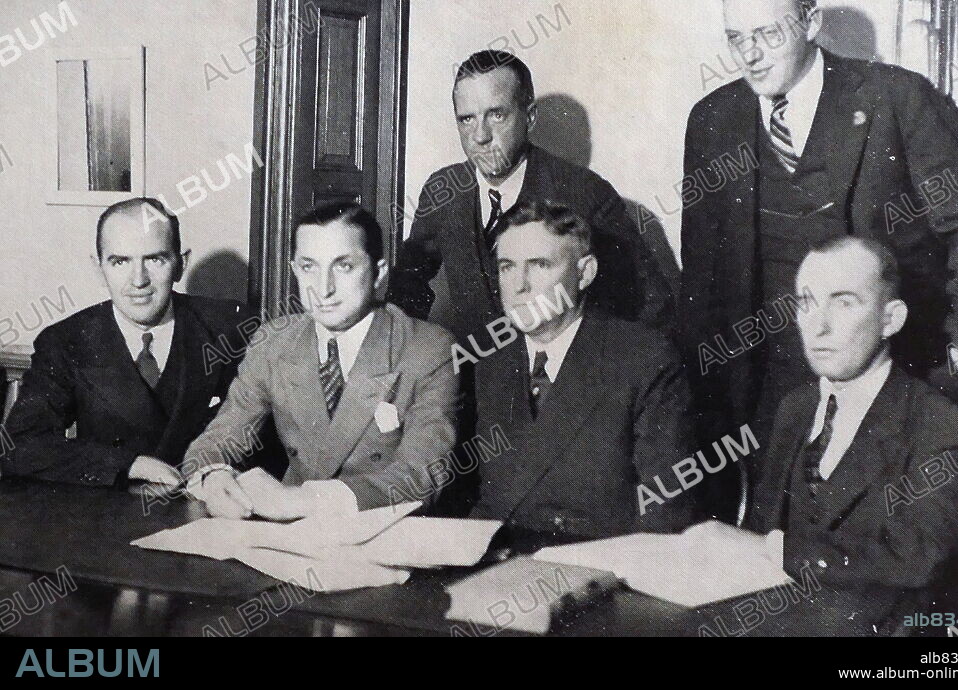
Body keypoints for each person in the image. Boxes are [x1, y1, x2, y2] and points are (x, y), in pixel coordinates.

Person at [680, 0, 958, 495]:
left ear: (811, 24)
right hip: (771, 397)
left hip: (896, 376)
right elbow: (703, 279)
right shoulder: (713, 120)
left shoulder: (897, 98)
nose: (750, 54)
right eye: (735, 37)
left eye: (768, 33)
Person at [748, 237, 958, 626]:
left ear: (891, 319)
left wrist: (778, 548)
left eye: (843, 302)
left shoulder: (945, 429)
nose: (818, 326)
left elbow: (914, 562)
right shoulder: (795, 408)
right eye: (806, 302)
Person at [183, 201, 459, 520]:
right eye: (309, 267)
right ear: (295, 270)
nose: (324, 289)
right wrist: (215, 477)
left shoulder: (427, 349)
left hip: (380, 535)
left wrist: (301, 501)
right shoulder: (274, 342)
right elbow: (218, 441)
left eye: (343, 266)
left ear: (379, 273)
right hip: (286, 536)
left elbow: (421, 477)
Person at [387, 49, 674, 345]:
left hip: (559, 383)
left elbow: (651, 307)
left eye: (496, 115)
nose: (480, 136)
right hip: (477, 382)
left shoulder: (586, 193)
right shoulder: (443, 190)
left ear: (530, 117)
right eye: (467, 119)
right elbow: (408, 284)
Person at [469, 202, 694, 542]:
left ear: (585, 272)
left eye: (539, 265)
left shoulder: (642, 359)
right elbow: (492, 503)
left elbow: (663, 518)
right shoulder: (494, 363)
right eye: (506, 267)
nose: (519, 286)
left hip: (600, 574)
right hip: (500, 565)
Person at [2, 198, 252, 487]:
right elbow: (21, 444)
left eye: (155, 259)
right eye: (120, 261)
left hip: (206, 511)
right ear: (99, 269)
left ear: (181, 264)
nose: (139, 280)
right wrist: (129, 464)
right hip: (108, 516)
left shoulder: (230, 328)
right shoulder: (65, 341)